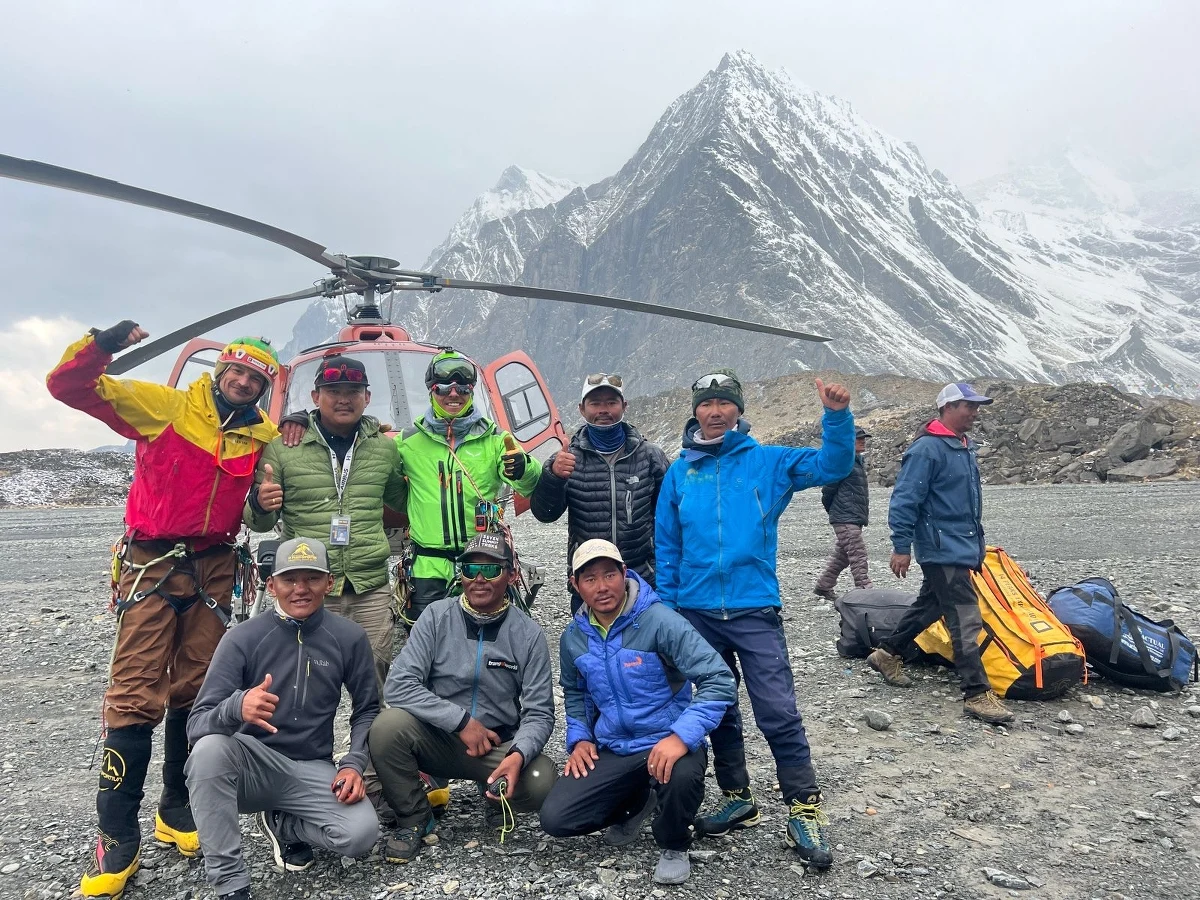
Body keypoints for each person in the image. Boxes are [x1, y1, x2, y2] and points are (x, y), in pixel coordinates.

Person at [46, 321, 280, 899]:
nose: (244, 382)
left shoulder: (262, 438)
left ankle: (176, 809)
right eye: (238, 371)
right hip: (153, 562)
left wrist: (264, 506)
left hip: (216, 567)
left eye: (256, 378)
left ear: (265, 387)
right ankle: (115, 835)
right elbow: (68, 387)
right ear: (220, 370)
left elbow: (259, 512)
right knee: (133, 693)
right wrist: (104, 344)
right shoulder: (166, 407)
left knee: (198, 691)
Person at [655, 370, 854, 870]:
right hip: (698, 612)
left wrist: (836, 416)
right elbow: (668, 545)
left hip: (754, 608)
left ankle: (804, 808)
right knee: (718, 707)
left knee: (777, 707)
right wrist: (672, 611)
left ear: (738, 410)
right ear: (695, 411)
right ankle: (738, 796)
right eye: (707, 403)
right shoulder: (680, 472)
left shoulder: (769, 462)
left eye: (724, 402)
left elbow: (834, 465)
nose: (716, 411)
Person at [185, 538, 380, 900]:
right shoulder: (242, 638)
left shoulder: (349, 637)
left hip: (312, 767)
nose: (301, 589)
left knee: (361, 835)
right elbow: (196, 726)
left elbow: (367, 709)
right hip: (251, 767)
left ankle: (283, 824)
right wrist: (236, 707)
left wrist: (353, 763)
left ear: (330, 582)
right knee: (209, 750)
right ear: (271, 584)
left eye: (312, 578)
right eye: (289, 580)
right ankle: (230, 885)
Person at [538, 540, 735, 885]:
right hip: (615, 746)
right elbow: (575, 691)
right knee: (557, 818)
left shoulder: (660, 621)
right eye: (590, 579)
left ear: (624, 574)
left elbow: (719, 679)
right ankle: (638, 801)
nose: (602, 587)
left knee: (682, 776)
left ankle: (674, 843)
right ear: (575, 584)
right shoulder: (574, 637)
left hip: (668, 739)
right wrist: (581, 738)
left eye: (610, 575)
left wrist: (681, 736)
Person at [369, 532, 558, 864]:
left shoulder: (528, 633)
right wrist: (459, 722)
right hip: (437, 737)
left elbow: (540, 712)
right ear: (461, 575)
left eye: (491, 570)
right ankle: (415, 819)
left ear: (511, 574)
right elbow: (399, 685)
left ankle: (495, 797)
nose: (479, 579)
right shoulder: (435, 617)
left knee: (543, 779)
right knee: (386, 727)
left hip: (496, 745)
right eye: (470, 569)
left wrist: (518, 754)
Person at [246, 355, 408, 694]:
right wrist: (260, 505)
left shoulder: (384, 449)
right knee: (302, 684)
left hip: (370, 586)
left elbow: (406, 501)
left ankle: (369, 744)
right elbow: (259, 523)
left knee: (375, 679)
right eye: (333, 390)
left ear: (367, 397)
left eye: (353, 390)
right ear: (316, 396)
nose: (344, 398)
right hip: (308, 585)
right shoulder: (284, 448)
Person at [866, 383, 1015, 725]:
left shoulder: (962, 446)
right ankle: (976, 693)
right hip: (942, 547)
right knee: (965, 616)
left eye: (976, 406)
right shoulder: (927, 450)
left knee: (932, 605)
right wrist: (901, 546)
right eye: (968, 405)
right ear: (948, 407)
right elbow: (905, 499)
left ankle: (887, 653)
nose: (975, 412)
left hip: (959, 544)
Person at [394, 349, 542, 623]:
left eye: (463, 387)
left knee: (485, 643)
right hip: (428, 568)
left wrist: (524, 467)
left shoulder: (496, 439)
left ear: (471, 391)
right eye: (444, 388)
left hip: (482, 564)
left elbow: (531, 485)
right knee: (428, 649)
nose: (454, 394)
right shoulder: (406, 442)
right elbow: (382, 478)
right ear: (431, 390)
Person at [530, 373, 669, 610]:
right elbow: (545, 514)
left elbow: (670, 520)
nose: (603, 410)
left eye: (611, 403)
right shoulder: (567, 459)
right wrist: (553, 476)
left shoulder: (650, 457)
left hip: (642, 581)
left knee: (645, 647)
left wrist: (664, 573)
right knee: (593, 647)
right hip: (590, 583)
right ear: (582, 409)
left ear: (624, 406)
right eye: (595, 403)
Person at [813, 426, 874, 599]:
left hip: (853, 517)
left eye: (864, 438)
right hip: (845, 517)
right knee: (857, 552)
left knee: (844, 556)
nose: (863, 441)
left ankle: (823, 586)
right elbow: (828, 491)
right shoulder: (844, 462)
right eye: (858, 438)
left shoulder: (856, 461)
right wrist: (834, 512)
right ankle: (865, 589)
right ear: (848, 442)